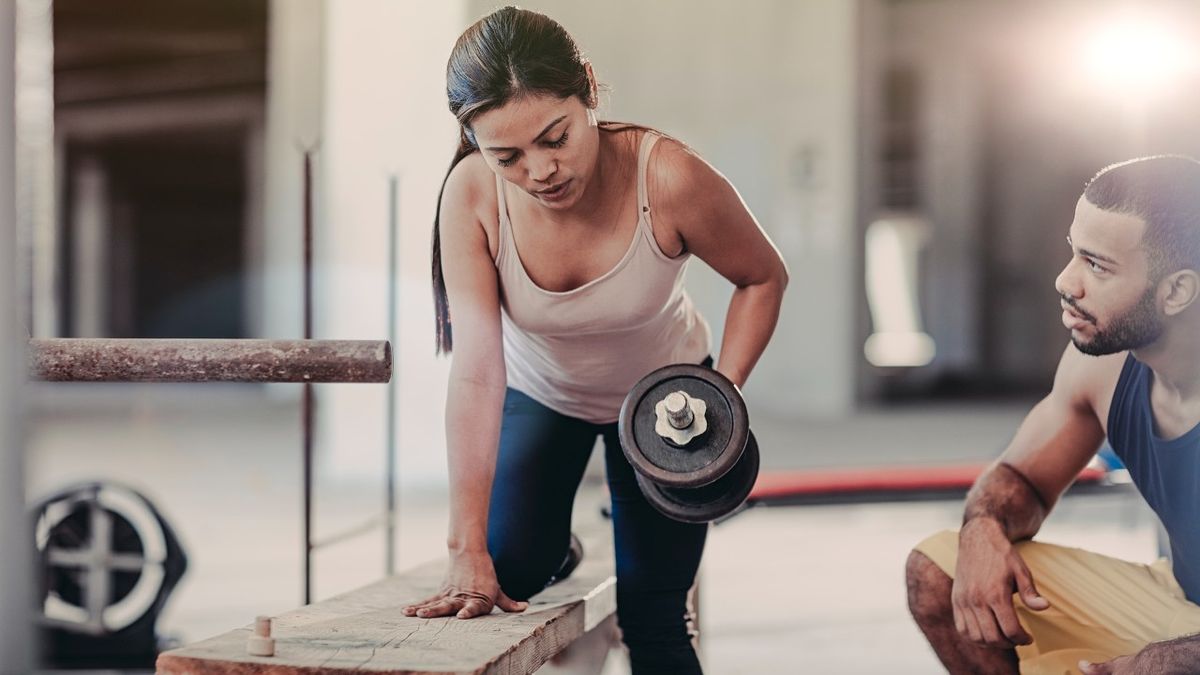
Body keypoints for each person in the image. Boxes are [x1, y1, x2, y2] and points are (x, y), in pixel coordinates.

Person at [400, 7, 788, 673]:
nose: (540, 170)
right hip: (542, 391)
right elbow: (476, 371)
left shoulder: (667, 177)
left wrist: (718, 397)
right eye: (508, 156)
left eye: (555, 137)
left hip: (664, 400)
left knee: (654, 613)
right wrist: (464, 545)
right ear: (474, 143)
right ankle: (555, 550)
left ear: (588, 91)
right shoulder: (471, 196)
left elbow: (762, 276)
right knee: (507, 569)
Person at [906, 155, 1200, 675]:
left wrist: (1159, 663)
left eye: (1098, 265)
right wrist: (983, 530)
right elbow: (1021, 477)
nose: (1066, 282)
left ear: (1176, 291)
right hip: (1181, 604)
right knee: (942, 574)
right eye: (1074, 254)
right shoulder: (1106, 368)